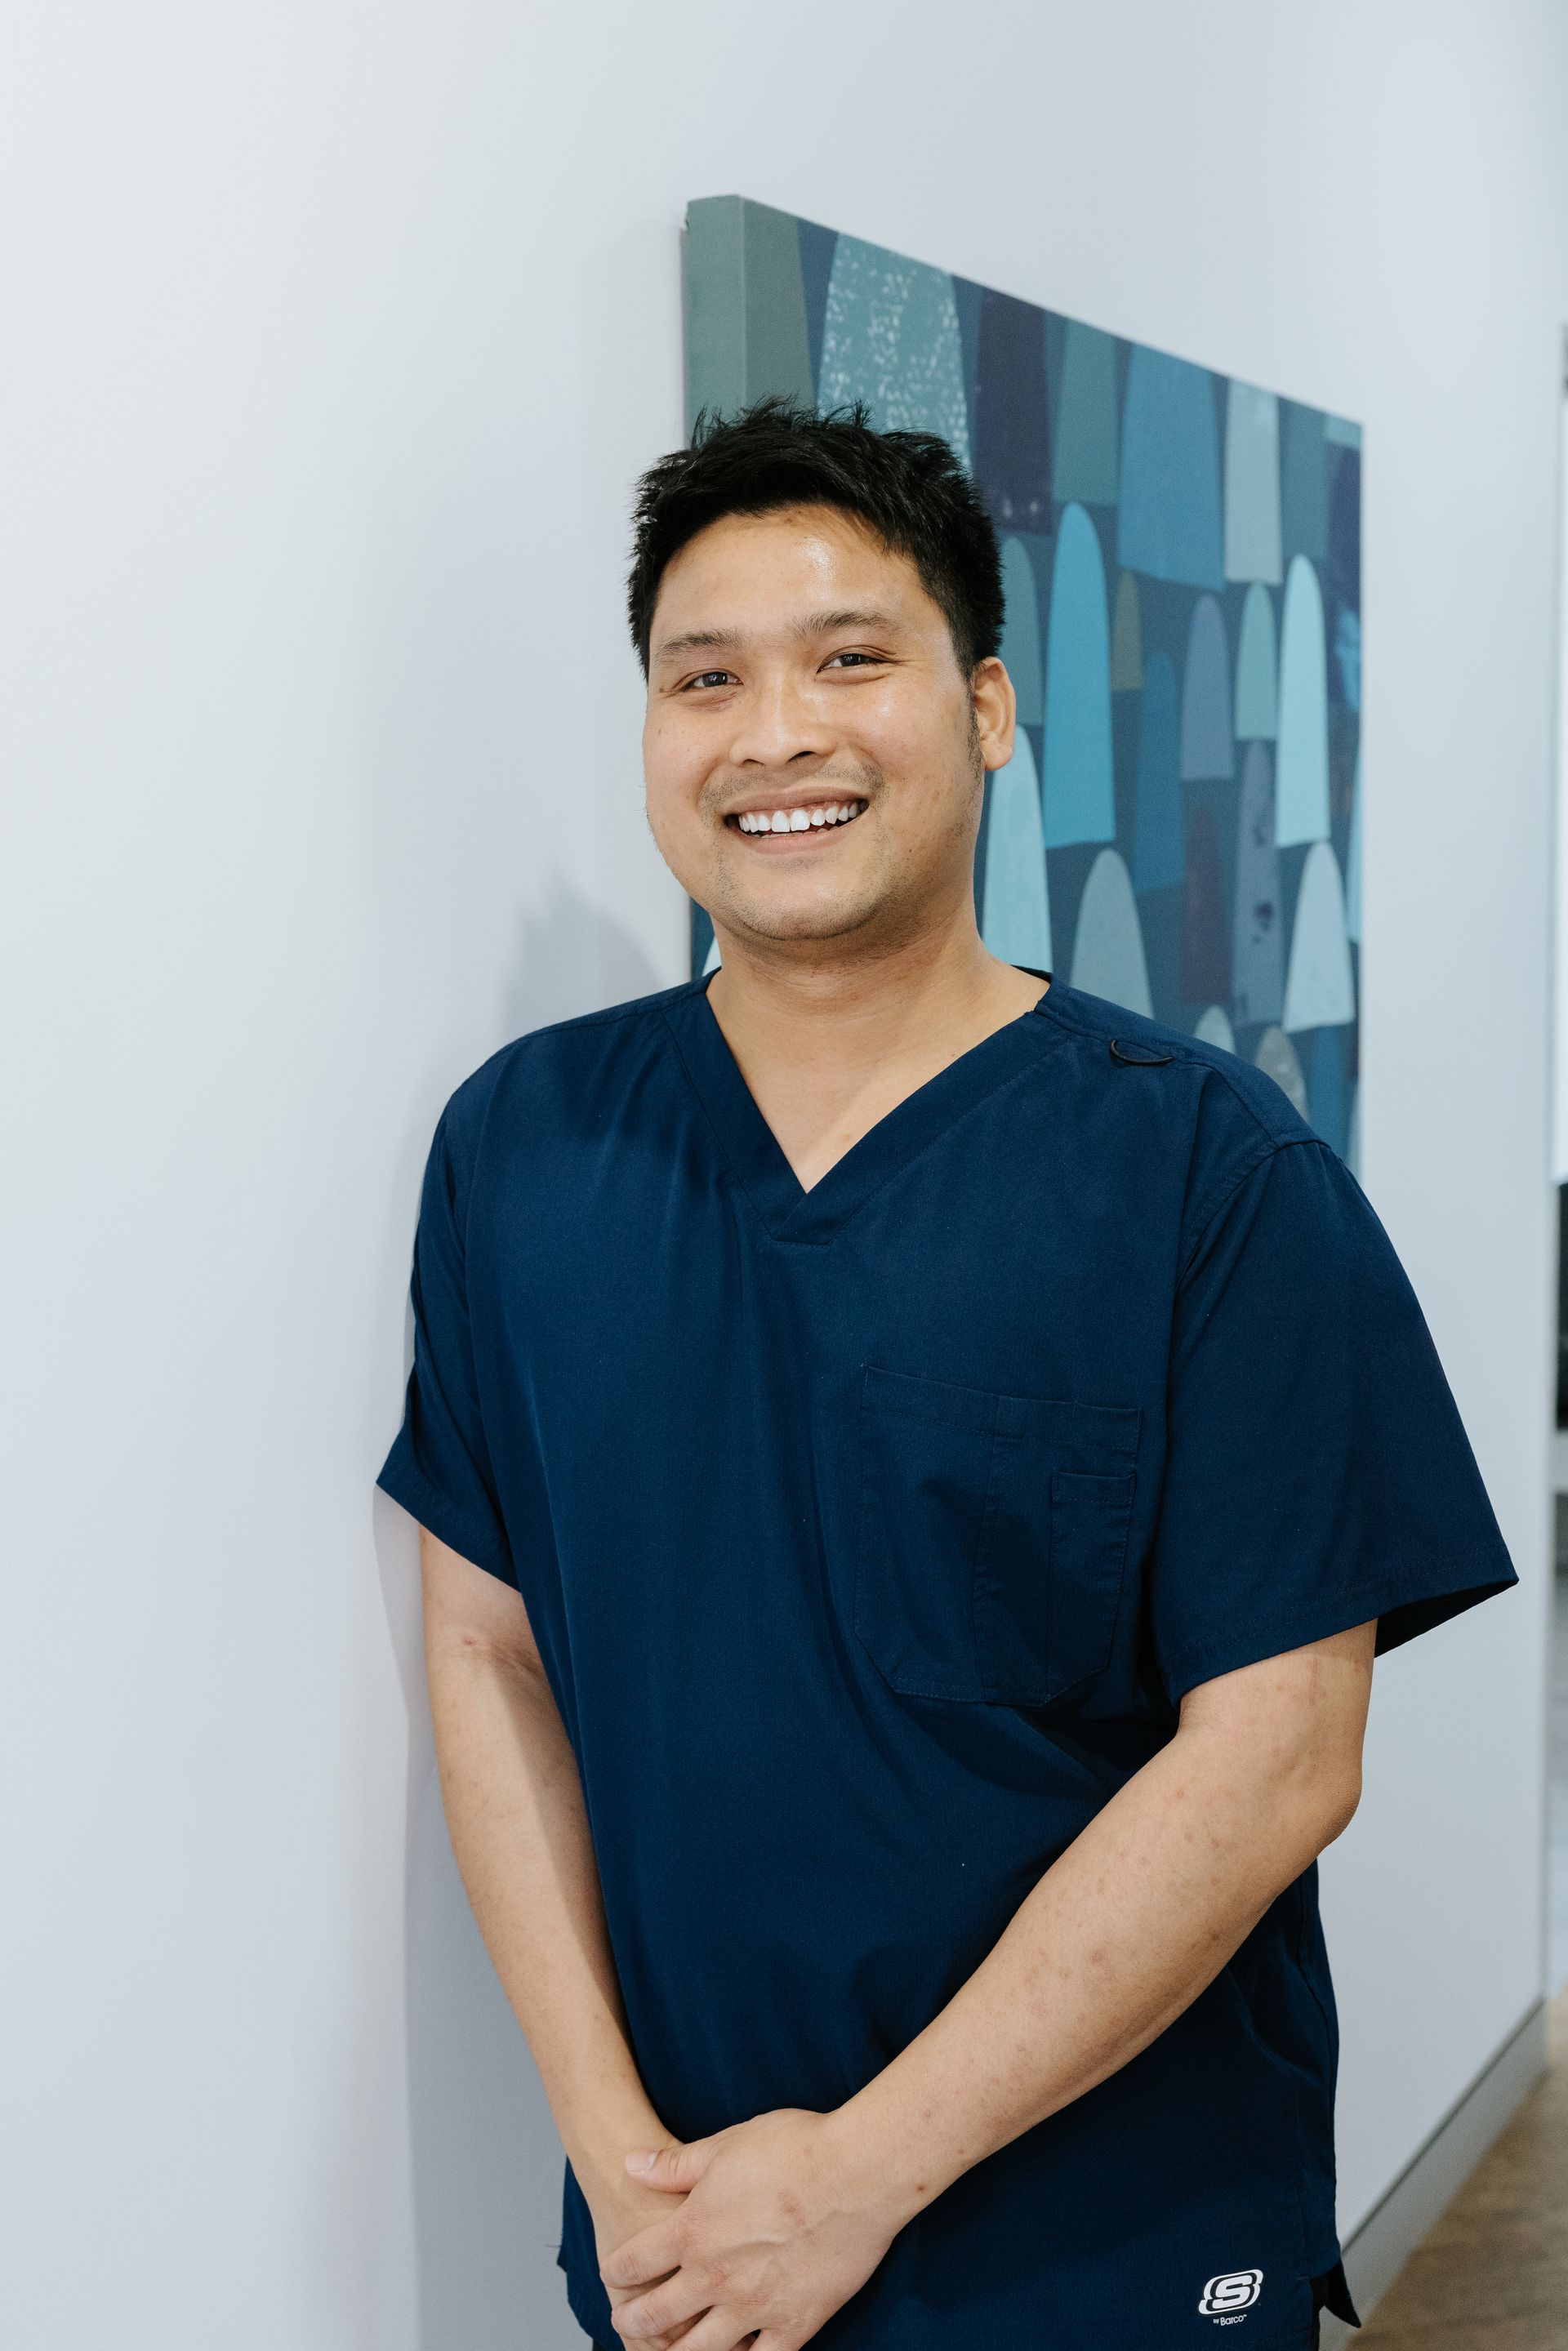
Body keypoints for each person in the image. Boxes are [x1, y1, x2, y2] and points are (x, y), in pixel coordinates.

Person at [377, 398, 1517, 2351]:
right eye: (703, 676)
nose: (777, 736)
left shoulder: (1207, 1179)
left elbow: (1278, 1759)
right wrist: (614, 2151)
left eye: (852, 661)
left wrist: (854, 2176)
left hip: (1106, 2245)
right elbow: (488, 1652)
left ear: (988, 707)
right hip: (689, 2251)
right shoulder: (525, 1148)